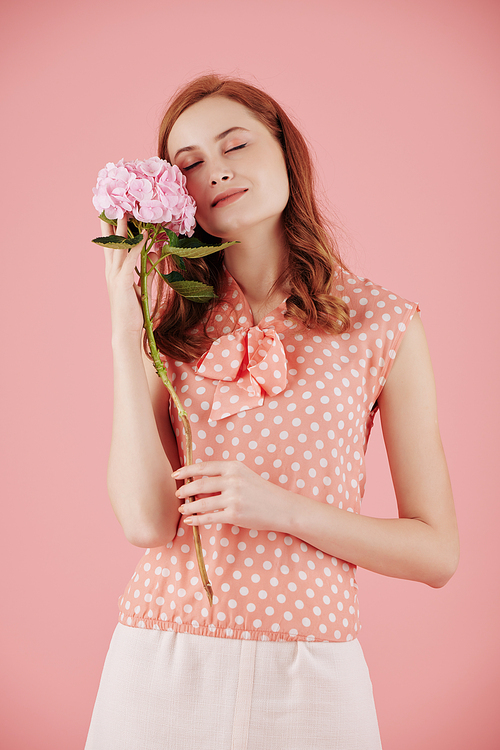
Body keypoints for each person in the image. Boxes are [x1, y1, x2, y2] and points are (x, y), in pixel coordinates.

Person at [85, 74, 459, 750]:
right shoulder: (164, 325)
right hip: (158, 662)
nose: (217, 170)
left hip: (311, 667)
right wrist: (123, 328)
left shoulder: (383, 324)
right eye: (191, 164)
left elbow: (436, 552)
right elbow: (146, 522)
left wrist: (283, 509)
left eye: (236, 144)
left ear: (287, 154)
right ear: (180, 196)